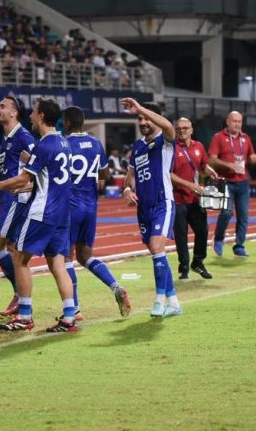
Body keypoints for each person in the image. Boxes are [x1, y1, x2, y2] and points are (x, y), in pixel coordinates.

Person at [0, 98, 77, 332]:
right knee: (57, 264)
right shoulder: (64, 143)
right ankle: (70, 317)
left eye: (34, 113)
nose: (31, 117)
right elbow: (45, 176)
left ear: (42, 116)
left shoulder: (42, 144)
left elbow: (25, 179)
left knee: (19, 259)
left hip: (43, 211)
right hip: (63, 213)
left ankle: (24, 315)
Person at [62, 106, 131, 317]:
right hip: (90, 206)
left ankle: (74, 308)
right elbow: (104, 176)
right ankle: (116, 288)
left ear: (66, 123)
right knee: (85, 256)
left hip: (70, 205)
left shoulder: (65, 144)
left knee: (66, 258)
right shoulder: (95, 143)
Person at [121, 99, 182, 317]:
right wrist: (127, 191)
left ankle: (159, 301)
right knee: (158, 254)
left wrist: (141, 109)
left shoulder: (165, 140)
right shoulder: (137, 147)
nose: (143, 121)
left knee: (157, 248)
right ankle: (174, 303)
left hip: (162, 203)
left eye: (146, 117)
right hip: (143, 208)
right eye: (139, 118)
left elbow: (168, 126)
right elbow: (129, 180)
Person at [0, 96, 35, 317]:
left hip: (17, 201)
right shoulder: (5, 137)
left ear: (14, 113)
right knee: (13, 251)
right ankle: (23, 302)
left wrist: (31, 186)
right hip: (8, 200)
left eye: (2, 106)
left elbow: (41, 164)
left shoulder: (23, 136)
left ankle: (20, 296)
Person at [208, 111, 256, 258]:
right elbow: (211, 160)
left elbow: (250, 157)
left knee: (244, 215)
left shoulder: (245, 138)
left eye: (240, 121)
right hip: (226, 181)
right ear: (227, 122)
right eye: (234, 121)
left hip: (242, 182)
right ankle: (219, 239)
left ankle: (239, 246)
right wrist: (229, 165)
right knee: (227, 213)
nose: (237, 124)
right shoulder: (218, 137)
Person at [170, 117, 217, 280]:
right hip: (178, 198)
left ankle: (198, 262)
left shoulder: (199, 146)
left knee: (202, 230)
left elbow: (202, 165)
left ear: (191, 130)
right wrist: (189, 185)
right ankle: (184, 267)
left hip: (196, 198)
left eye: (185, 128)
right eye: (179, 128)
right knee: (181, 234)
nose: (182, 130)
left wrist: (208, 169)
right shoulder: (171, 148)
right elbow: (168, 174)